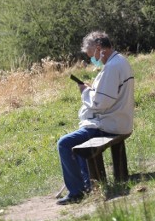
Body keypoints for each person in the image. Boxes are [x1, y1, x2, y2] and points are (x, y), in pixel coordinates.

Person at [56, 31, 135, 205]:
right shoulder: (119, 61)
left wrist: (85, 92)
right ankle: (87, 184)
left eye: (92, 55)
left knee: (65, 143)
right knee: (78, 141)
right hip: (117, 120)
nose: (92, 59)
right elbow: (107, 95)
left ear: (99, 48)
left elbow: (100, 103)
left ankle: (77, 192)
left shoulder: (112, 67)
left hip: (108, 125)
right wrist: (93, 90)